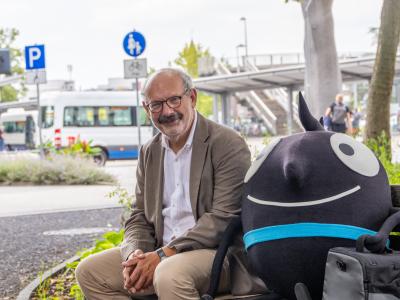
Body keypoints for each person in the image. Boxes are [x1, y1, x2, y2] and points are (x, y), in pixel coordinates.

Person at [76, 68, 266, 300]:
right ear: (147, 109)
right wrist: (133, 255)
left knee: (168, 273)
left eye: (174, 100)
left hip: (216, 254)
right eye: (156, 105)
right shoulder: (150, 151)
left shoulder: (226, 143)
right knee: (90, 272)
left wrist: (163, 255)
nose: (167, 111)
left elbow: (223, 218)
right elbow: (139, 215)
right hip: (160, 251)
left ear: (192, 97)